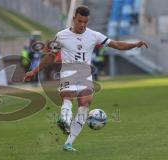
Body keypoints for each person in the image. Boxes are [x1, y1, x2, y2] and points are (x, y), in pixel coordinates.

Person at [24, 6, 148, 151]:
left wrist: (134, 45)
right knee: (68, 96)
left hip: (85, 73)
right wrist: (33, 71)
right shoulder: (61, 35)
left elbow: (116, 44)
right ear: (74, 19)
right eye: (80, 21)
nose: (82, 25)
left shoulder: (94, 35)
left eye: (85, 22)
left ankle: (69, 143)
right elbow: (51, 56)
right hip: (68, 71)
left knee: (85, 104)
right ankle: (64, 120)